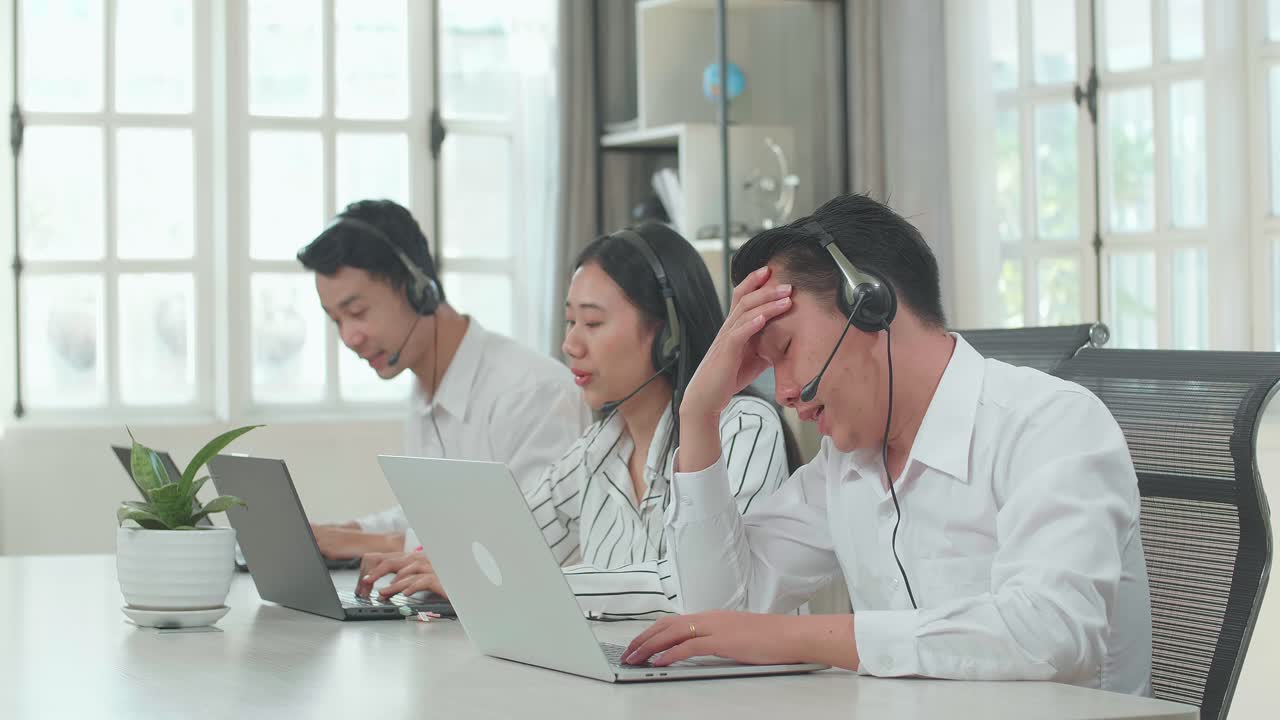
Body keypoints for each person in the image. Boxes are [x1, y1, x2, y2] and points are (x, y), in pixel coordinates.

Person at [622, 194, 1153, 696]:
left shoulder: (1051, 424)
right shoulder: (845, 464)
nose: (783, 392)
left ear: (868, 303)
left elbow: (1050, 635)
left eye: (784, 349)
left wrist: (799, 639)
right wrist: (698, 416)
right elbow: (717, 611)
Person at [356, 223, 802, 619]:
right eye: (570, 321)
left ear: (667, 334)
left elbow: (698, 591)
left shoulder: (743, 429)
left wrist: (503, 581)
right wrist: (449, 567)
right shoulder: (597, 449)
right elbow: (511, 545)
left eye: (592, 322)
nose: (570, 344)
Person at [296, 199, 590, 558]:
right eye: (336, 320)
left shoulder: (531, 392)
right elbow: (429, 516)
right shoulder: (425, 387)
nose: (349, 338)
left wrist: (372, 545)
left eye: (357, 312)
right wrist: (344, 532)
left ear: (418, 288)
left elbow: (530, 544)